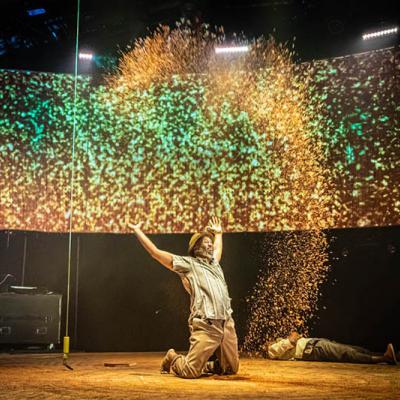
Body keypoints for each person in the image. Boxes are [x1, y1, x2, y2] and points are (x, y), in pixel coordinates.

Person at [128, 216, 239, 379]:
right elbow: (156, 253)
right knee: (189, 372)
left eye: (210, 241)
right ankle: (173, 357)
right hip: (207, 324)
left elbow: (217, 249)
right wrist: (137, 230)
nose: (210, 244)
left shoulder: (215, 264)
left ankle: (204, 364)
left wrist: (219, 234)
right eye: (206, 242)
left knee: (231, 369)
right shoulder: (189, 265)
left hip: (226, 324)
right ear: (196, 247)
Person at [266, 331, 398, 365]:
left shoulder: (277, 345)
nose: (268, 340)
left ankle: (392, 356)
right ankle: (385, 358)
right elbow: (293, 340)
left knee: (354, 349)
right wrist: (293, 335)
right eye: (265, 342)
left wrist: (294, 336)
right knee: (347, 353)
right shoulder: (272, 350)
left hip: (316, 344)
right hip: (314, 349)